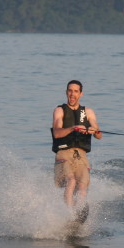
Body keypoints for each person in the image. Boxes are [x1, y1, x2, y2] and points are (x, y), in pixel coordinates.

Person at [51, 80, 102, 219]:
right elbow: (57, 133)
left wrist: (94, 130)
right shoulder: (59, 110)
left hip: (81, 156)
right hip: (64, 154)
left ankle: (80, 213)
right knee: (71, 181)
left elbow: (99, 135)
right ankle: (70, 215)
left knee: (82, 186)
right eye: (70, 91)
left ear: (80, 94)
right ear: (66, 92)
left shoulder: (88, 112)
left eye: (75, 91)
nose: (72, 94)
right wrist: (73, 128)